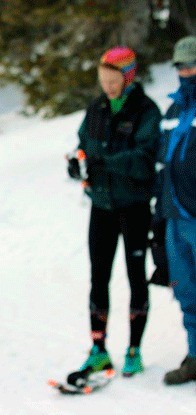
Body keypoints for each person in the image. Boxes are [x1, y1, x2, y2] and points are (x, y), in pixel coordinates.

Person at [67, 46, 161, 378]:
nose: (108, 86)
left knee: (136, 276)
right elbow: (82, 142)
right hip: (102, 206)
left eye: (113, 79)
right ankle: (98, 349)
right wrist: (76, 163)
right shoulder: (97, 108)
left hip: (134, 207)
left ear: (128, 76)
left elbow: (145, 159)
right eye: (103, 79)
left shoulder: (146, 111)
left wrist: (105, 162)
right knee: (99, 277)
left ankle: (134, 349)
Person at [155, 35, 196, 386]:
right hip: (174, 218)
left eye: (192, 64)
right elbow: (163, 166)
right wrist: (159, 220)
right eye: (181, 66)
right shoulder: (172, 111)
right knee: (186, 290)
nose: (186, 71)